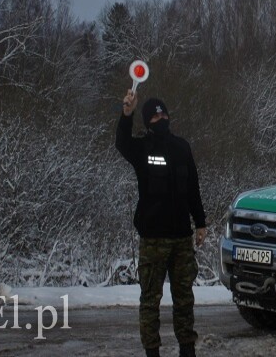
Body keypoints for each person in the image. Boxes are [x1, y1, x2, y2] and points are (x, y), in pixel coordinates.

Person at [116, 90, 207, 357]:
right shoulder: (141, 148)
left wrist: (200, 223)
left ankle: (187, 349)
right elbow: (121, 142)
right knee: (150, 301)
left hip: (181, 238)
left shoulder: (182, 147)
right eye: (155, 115)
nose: (161, 117)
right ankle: (152, 351)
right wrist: (126, 114)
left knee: (184, 300)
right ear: (147, 121)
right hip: (153, 239)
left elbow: (193, 188)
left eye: (164, 113)